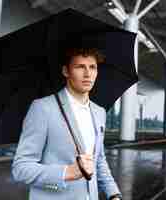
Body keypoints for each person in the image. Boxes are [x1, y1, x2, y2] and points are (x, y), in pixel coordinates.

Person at [11, 47, 122, 200]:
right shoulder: (43, 108)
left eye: (92, 67)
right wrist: (66, 172)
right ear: (66, 71)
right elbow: (21, 168)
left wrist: (113, 194)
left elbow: (98, 160)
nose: (88, 74)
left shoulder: (99, 112)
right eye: (80, 67)